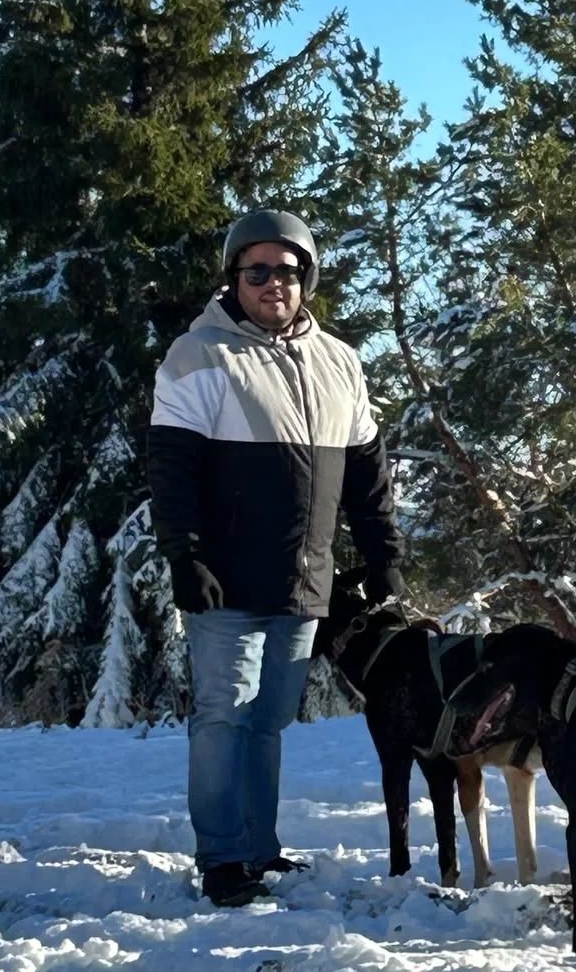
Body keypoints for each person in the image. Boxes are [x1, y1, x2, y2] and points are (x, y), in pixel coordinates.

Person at [148, 209, 404, 905]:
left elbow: (366, 474)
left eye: (286, 271)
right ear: (234, 279)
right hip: (224, 580)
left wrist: (384, 554)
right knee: (223, 714)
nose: (272, 283)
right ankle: (222, 859)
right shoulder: (199, 356)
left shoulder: (340, 362)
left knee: (269, 718)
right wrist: (185, 558)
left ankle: (259, 848)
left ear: (306, 279)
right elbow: (172, 472)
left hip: (302, 579)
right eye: (256, 271)